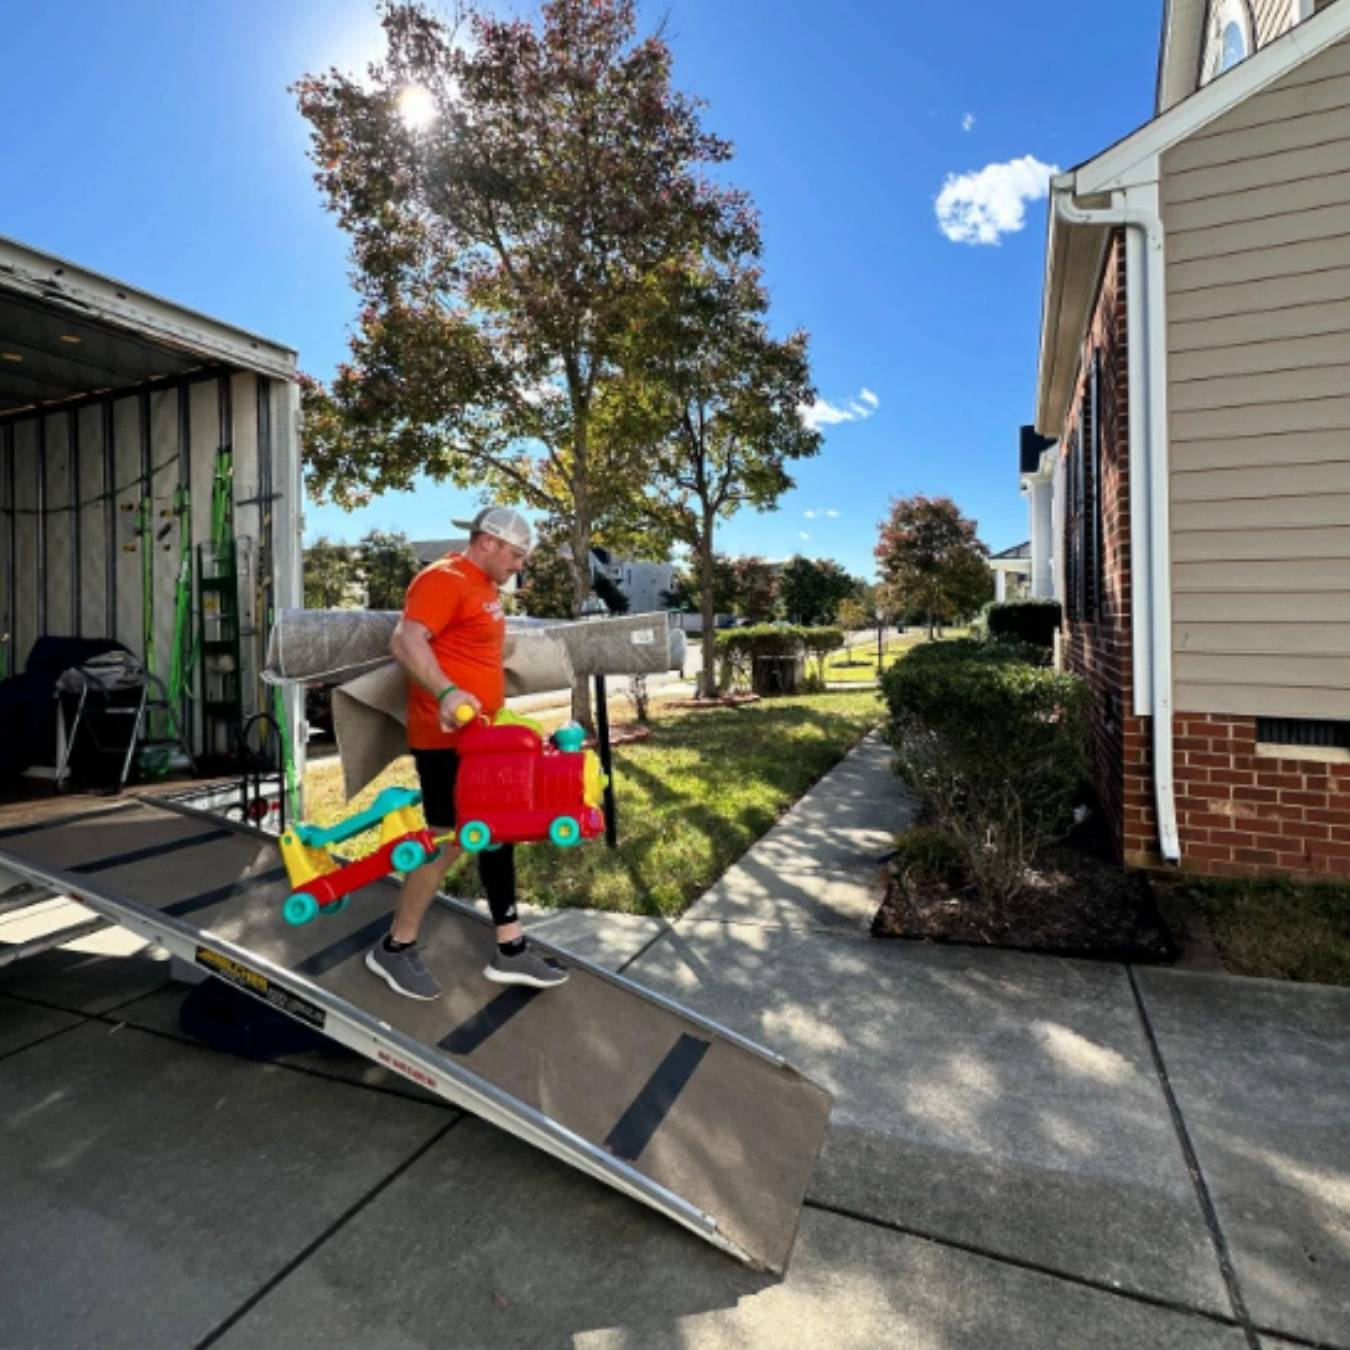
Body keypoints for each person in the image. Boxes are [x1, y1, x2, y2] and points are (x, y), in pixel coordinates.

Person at [365, 506, 569, 1001]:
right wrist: (448, 693)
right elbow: (406, 639)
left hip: (482, 740)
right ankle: (394, 948)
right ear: (488, 542)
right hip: (445, 740)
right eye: (516, 554)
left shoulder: (485, 587)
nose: (519, 564)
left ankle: (510, 947)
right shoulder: (445, 578)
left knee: (499, 830)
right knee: (444, 839)